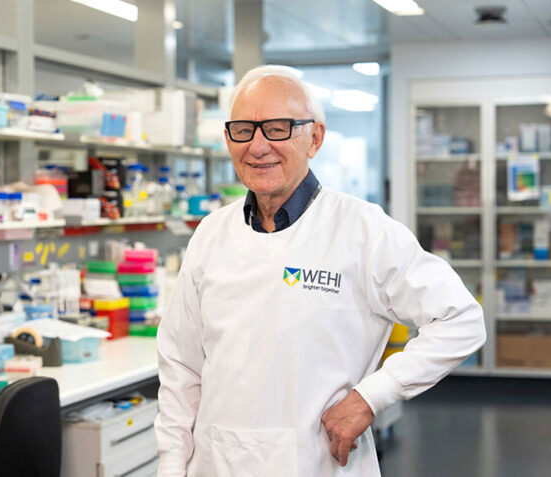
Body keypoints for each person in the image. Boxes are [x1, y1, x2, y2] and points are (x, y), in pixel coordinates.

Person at [154, 64, 486, 476]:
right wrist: (170, 464)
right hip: (216, 463)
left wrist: (371, 397)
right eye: (243, 129)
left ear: (315, 138)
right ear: (228, 139)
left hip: (317, 465)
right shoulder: (211, 234)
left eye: (277, 128)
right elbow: (180, 364)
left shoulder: (363, 230)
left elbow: (461, 319)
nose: (258, 146)